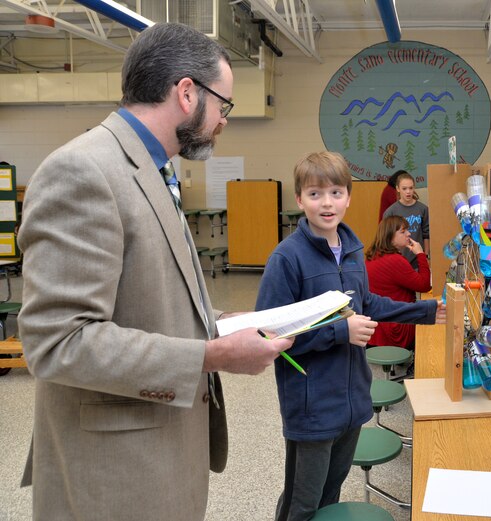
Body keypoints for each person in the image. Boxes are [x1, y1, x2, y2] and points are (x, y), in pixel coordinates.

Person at [17, 23, 292, 521]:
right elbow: (57, 342)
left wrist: (220, 321)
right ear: (187, 93)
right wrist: (210, 356)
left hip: (160, 450)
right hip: (115, 472)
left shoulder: (151, 168)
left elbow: (153, 287)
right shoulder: (83, 171)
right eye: (223, 105)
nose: (223, 121)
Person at [255, 151, 446, 521]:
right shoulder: (287, 258)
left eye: (336, 193)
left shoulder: (353, 250)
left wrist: (425, 311)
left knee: (331, 495)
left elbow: (368, 302)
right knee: (302, 503)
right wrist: (340, 332)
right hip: (312, 405)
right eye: (315, 194)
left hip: (352, 400)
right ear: (299, 199)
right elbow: (270, 335)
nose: (327, 203)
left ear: (348, 195)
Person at [366, 215, 432, 350]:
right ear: (389, 236)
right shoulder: (395, 261)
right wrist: (420, 254)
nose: (409, 234)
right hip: (396, 329)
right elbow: (424, 285)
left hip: (376, 330)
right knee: (434, 320)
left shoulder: (372, 257)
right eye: (403, 231)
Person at [382, 172, 429, 269]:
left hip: (417, 261)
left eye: (411, 188)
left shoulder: (423, 209)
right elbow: (386, 238)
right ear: (398, 189)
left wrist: (426, 256)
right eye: (404, 188)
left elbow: (426, 235)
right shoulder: (391, 212)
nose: (408, 192)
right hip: (397, 261)